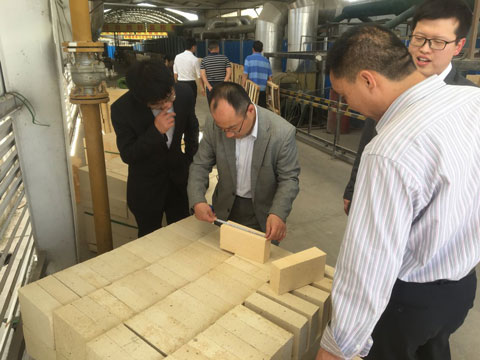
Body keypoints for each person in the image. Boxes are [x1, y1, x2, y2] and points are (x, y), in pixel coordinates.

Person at [316, 24, 479, 360]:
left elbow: (368, 267)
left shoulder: (389, 150)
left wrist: (337, 347)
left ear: (367, 80)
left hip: (408, 305)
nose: (349, 105)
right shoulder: (471, 100)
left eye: (345, 95)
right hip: (462, 288)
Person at [342, 0, 476, 215]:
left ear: (458, 46)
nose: (424, 49)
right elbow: (369, 137)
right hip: (380, 194)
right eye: (419, 38)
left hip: (435, 210)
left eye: (438, 42)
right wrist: (353, 188)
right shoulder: (392, 82)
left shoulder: (468, 99)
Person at [187, 82, 300, 243]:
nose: (228, 135)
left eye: (233, 128)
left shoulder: (281, 134)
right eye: (223, 129)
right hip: (223, 209)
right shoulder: (216, 124)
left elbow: (289, 179)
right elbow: (200, 165)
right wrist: (197, 200)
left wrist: (278, 213)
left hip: (262, 215)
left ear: (250, 111)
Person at [111, 60, 199, 237]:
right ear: (141, 99)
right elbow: (128, 154)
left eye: (169, 98)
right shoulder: (122, 109)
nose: (167, 105)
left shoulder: (184, 93)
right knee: (149, 238)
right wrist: (155, 132)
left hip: (178, 182)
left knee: (182, 234)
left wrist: (190, 161)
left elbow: (192, 128)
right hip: (146, 188)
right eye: (159, 104)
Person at [173, 38, 204, 107]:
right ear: (193, 47)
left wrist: (176, 85)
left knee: (181, 105)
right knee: (191, 106)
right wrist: (202, 88)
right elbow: (199, 76)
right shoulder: (195, 59)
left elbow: (175, 74)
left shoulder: (177, 57)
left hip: (180, 83)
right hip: (191, 85)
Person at [242, 40, 273, 108]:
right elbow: (270, 78)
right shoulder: (266, 61)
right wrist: (270, 94)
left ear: (252, 49)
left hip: (252, 91)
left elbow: (245, 75)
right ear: (262, 50)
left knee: (252, 111)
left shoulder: (248, 59)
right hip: (262, 92)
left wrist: (242, 87)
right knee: (261, 112)